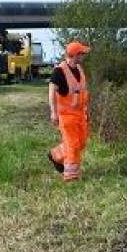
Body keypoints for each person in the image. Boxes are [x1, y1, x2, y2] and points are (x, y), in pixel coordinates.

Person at [47, 41, 90, 182]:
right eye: (82, 53)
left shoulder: (79, 69)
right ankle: (71, 177)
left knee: (82, 143)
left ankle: (56, 155)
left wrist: (86, 111)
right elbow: (52, 91)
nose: (83, 56)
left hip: (80, 115)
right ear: (76, 55)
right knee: (72, 145)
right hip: (66, 116)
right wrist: (53, 112)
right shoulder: (59, 71)